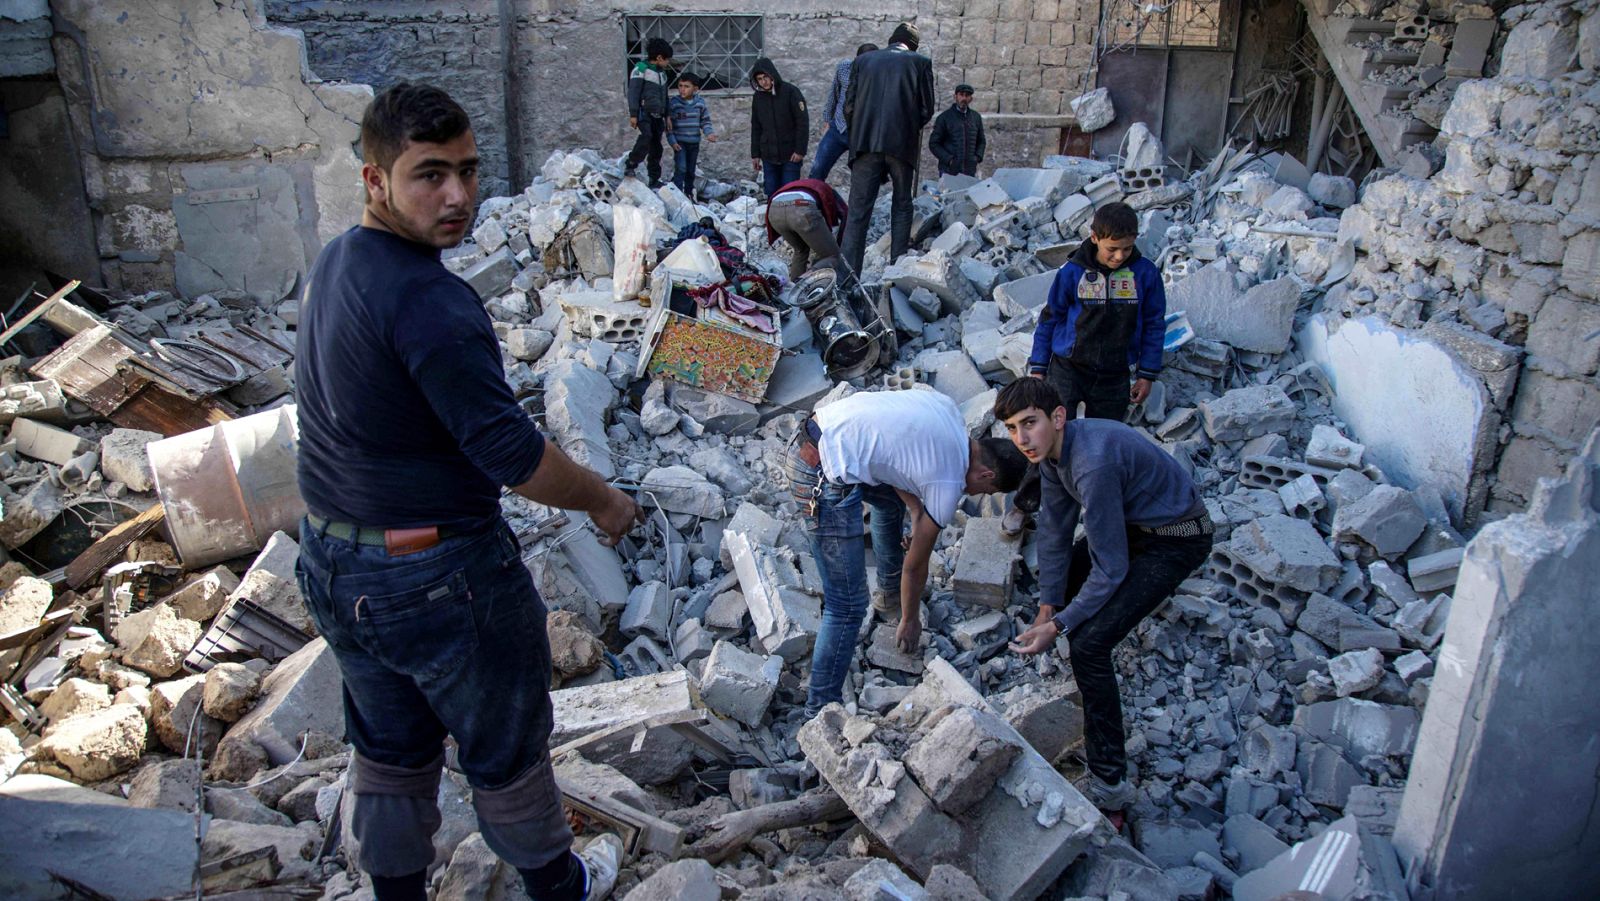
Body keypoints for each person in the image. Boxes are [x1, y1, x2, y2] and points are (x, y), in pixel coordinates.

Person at [294, 83, 644, 901]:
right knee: (507, 751)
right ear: (375, 181)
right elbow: (512, 455)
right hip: (438, 577)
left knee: (387, 747)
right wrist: (601, 498)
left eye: (468, 170)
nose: (457, 195)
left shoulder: (342, 259)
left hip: (336, 564)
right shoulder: (432, 301)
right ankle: (559, 885)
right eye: (429, 175)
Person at [997, 378, 1213, 812]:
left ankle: (1110, 786)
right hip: (1136, 526)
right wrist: (1047, 606)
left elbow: (1110, 567)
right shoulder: (1055, 454)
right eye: (1011, 428)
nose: (1021, 439)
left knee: (1088, 645)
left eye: (1029, 424)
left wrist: (1059, 625)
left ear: (1058, 417)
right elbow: (1056, 533)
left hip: (1178, 539)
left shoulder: (1092, 463)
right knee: (1064, 581)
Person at [785, 390, 1029, 716]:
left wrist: (916, 510)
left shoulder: (948, 412)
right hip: (817, 473)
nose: (974, 493)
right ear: (987, 475)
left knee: (889, 502)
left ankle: (888, 593)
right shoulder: (946, 485)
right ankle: (819, 712)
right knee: (847, 606)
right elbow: (916, 567)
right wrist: (911, 620)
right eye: (986, 490)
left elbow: (894, 450)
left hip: (818, 431)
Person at [1002, 201, 1167, 536]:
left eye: (1127, 248)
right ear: (1094, 238)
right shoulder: (1072, 273)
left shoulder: (1145, 275)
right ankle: (1025, 505)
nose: (1119, 256)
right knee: (1048, 438)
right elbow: (1050, 319)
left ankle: (1098, 511)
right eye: (1112, 249)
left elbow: (1154, 324)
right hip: (1067, 368)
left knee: (1104, 445)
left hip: (1115, 374)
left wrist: (1147, 373)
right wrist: (1038, 367)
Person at [839, 22, 936, 277]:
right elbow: (927, 110)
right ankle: (896, 270)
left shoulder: (864, 61)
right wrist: (906, 127)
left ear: (891, 39)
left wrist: (859, 133)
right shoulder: (920, 62)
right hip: (901, 146)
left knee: (857, 213)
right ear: (913, 45)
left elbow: (848, 108)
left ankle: (848, 279)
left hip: (864, 145)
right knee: (902, 204)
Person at [809, 43, 878, 182]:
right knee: (818, 169)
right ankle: (811, 199)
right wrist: (828, 120)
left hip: (862, 134)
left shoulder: (878, 75)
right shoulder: (844, 68)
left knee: (863, 178)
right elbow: (834, 93)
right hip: (839, 127)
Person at [764, 177, 848, 283]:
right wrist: (838, 245)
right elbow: (845, 214)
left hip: (774, 211)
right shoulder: (828, 191)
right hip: (800, 209)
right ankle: (803, 280)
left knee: (800, 250)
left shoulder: (804, 186)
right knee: (832, 256)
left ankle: (793, 289)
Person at [749, 58, 808, 198]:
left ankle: (789, 220)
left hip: (791, 155)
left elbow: (802, 122)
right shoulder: (758, 97)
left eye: (766, 77)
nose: (764, 82)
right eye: (759, 79)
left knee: (789, 193)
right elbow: (756, 126)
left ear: (772, 75)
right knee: (771, 193)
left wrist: (800, 150)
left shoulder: (791, 92)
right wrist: (755, 154)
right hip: (768, 155)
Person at [623, 37, 675, 188]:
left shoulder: (662, 74)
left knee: (656, 147)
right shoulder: (641, 70)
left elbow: (665, 97)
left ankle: (653, 177)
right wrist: (633, 114)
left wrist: (667, 116)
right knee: (646, 137)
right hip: (644, 113)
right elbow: (634, 92)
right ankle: (631, 163)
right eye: (667, 60)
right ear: (659, 57)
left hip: (658, 115)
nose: (668, 63)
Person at [668, 72, 717, 198]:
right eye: (680, 86)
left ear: (695, 89)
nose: (682, 89)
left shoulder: (700, 103)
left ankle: (689, 193)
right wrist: (672, 141)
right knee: (681, 168)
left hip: (694, 142)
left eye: (686, 86)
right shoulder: (674, 103)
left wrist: (709, 133)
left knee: (690, 170)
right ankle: (677, 195)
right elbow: (669, 126)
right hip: (680, 143)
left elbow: (705, 121)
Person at [929, 83, 985, 177]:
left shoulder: (976, 118)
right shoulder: (944, 118)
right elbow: (934, 144)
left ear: (971, 99)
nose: (964, 98)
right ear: (955, 96)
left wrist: (977, 158)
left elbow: (981, 141)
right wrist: (949, 160)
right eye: (961, 95)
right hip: (948, 171)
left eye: (967, 96)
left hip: (969, 171)